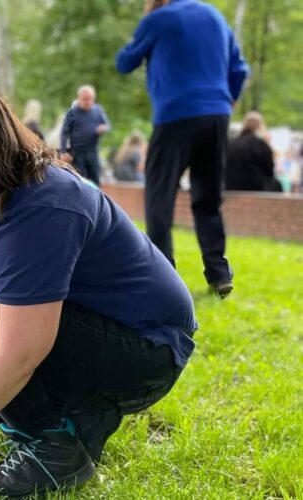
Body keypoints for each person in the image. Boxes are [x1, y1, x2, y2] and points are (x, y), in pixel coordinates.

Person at [0, 73, 194, 498]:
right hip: (85, 332)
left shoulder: (40, 203)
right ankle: (82, 418)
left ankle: (54, 452)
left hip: (145, 350)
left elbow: (16, 350)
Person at [116, 0, 249, 299]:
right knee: (208, 197)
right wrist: (227, 101)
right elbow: (240, 69)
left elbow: (125, 62)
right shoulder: (214, 16)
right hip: (216, 116)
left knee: (159, 196)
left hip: (175, 115)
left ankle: (164, 278)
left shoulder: (159, 19)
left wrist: (144, 28)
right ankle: (219, 274)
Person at [59, 85, 110, 186]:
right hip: (77, 153)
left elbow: (107, 125)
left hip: (93, 151)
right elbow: (64, 133)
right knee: (80, 180)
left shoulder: (98, 110)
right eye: (85, 99)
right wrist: (63, 151)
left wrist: (104, 128)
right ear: (79, 98)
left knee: (96, 179)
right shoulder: (72, 112)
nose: (88, 102)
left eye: (90, 99)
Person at [225, 112, 280, 192]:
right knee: (277, 185)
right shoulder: (261, 144)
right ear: (260, 126)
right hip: (255, 186)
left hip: (230, 185)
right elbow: (269, 170)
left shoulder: (231, 143)